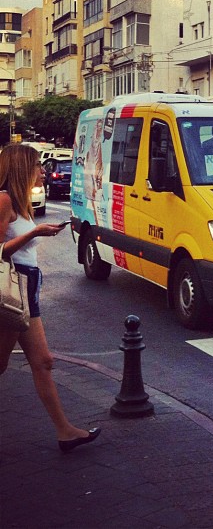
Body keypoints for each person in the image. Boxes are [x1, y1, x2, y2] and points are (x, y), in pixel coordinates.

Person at [0, 144, 101, 452]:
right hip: (12, 290)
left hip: (27, 287)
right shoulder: (3, 201)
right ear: (21, 169)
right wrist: (33, 234)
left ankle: (65, 432)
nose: (42, 171)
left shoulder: (19, 202)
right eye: (36, 166)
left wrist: (39, 231)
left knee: (43, 362)